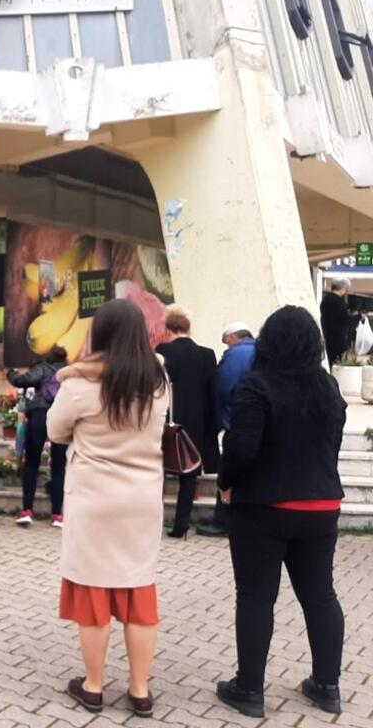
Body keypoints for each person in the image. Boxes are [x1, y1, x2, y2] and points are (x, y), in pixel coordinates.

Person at [214, 306, 347, 719]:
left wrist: (225, 484)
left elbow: (240, 447)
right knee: (320, 595)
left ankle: (249, 689)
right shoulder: (328, 387)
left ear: (268, 342)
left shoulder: (257, 386)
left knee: (256, 597)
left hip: (264, 508)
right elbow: (333, 442)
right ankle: (327, 686)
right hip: (321, 505)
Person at [46, 299, 169, 718]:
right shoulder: (158, 381)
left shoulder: (78, 383)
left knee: (94, 592)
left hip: (94, 500)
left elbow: (55, 430)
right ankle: (140, 690)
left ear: (98, 334)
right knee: (138, 593)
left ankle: (94, 686)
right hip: (142, 500)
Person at [154, 306, 221, 539]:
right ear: (188, 329)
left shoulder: (162, 351)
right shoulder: (207, 354)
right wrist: (214, 424)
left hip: (168, 419)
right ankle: (181, 526)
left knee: (160, 472)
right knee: (189, 474)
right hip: (198, 423)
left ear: (168, 329)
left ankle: (155, 523)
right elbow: (213, 392)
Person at [200, 322, 257, 538]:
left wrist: (219, 417)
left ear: (233, 337)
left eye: (227, 342)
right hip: (257, 424)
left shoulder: (235, 355)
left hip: (236, 421)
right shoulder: (262, 350)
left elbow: (223, 387)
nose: (227, 346)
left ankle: (223, 521)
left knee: (229, 470)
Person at [6, 347, 69, 528]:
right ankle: (57, 515)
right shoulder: (69, 373)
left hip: (39, 415)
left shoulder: (42, 368)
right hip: (61, 417)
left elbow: (22, 380)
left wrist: (11, 372)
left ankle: (27, 511)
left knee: (32, 463)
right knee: (59, 467)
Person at [320, 278, 357, 365]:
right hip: (339, 338)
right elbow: (344, 318)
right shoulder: (339, 301)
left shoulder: (325, 300)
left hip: (327, 336)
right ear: (343, 288)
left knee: (330, 361)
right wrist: (358, 317)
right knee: (339, 362)